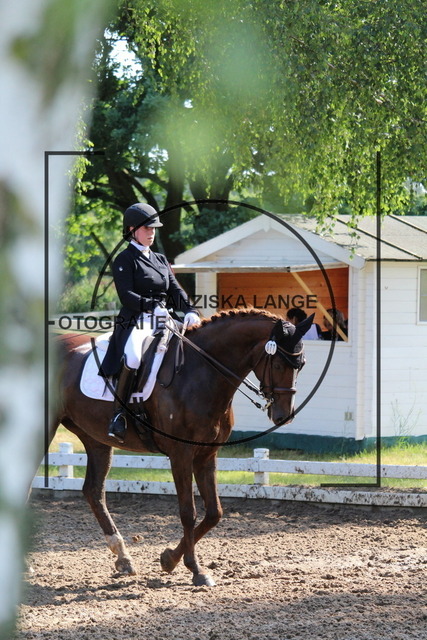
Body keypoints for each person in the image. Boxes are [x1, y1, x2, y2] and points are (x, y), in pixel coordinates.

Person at [99, 202, 200, 443]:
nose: (152, 232)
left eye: (154, 229)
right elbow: (126, 295)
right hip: (136, 320)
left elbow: (175, 289)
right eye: (147, 228)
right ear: (132, 230)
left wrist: (190, 310)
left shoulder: (160, 259)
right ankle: (119, 415)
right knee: (134, 357)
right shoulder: (124, 259)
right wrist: (151, 306)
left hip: (164, 317)